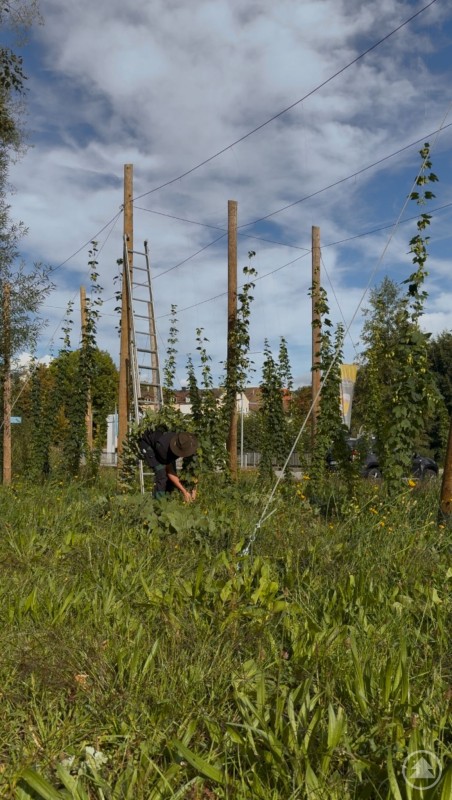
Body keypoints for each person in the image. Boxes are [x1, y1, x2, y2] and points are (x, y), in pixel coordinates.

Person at [138, 428, 198, 502]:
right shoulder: (164, 451)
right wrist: (184, 491)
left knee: (171, 481)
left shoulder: (186, 442)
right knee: (162, 476)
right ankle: (158, 506)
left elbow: (194, 470)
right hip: (149, 446)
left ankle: (168, 502)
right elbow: (169, 472)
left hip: (165, 449)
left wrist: (194, 488)